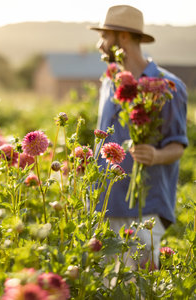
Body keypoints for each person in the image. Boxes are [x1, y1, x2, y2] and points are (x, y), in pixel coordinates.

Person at [90, 5, 188, 268]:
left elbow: (178, 145)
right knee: (106, 290)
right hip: (105, 208)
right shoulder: (109, 82)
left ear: (123, 37)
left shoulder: (167, 86)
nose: (100, 45)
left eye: (104, 36)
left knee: (137, 290)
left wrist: (155, 155)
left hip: (144, 210)